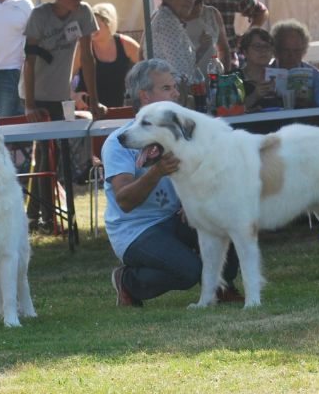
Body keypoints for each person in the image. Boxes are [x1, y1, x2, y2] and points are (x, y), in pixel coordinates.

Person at [104, 59, 242, 306]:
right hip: (135, 230)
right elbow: (124, 201)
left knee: (222, 218)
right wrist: (156, 172)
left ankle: (222, 286)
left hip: (171, 218)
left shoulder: (181, 135)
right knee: (188, 271)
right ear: (145, 96)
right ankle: (127, 281)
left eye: (174, 86)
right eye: (167, 88)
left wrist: (193, 204)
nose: (177, 93)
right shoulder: (119, 141)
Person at [22, 0, 100, 231]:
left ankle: (36, 216)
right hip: (37, 94)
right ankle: (47, 218)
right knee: (47, 152)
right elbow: (29, 62)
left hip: (60, 94)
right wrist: (30, 104)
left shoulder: (83, 12)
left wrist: (95, 100)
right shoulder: (39, 16)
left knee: (49, 153)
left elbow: (88, 58)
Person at [150, 0, 213, 99]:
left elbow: (184, 62)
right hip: (173, 97)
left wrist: (202, 48)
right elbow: (181, 71)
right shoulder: (167, 23)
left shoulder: (171, 20)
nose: (190, 1)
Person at [74, 3, 141, 108]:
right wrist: (74, 96)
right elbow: (66, 78)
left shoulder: (126, 44)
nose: (91, 29)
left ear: (109, 24)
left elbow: (148, 68)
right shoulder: (82, 47)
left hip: (116, 107)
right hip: (87, 108)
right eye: (90, 25)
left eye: (96, 25)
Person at [171, 0, 232, 71]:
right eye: (193, 5)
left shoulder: (211, 14)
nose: (199, 8)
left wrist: (224, 78)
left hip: (212, 79)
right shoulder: (166, 19)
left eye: (200, 2)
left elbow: (223, 49)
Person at [272, 19, 319, 108]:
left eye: (296, 50)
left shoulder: (315, 75)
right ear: (276, 50)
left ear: (304, 50)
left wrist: (311, 103)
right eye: (286, 50)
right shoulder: (266, 73)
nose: (291, 55)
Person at [235, 27, 279, 111]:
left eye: (267, 46)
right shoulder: (233, 79)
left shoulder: (280, 75)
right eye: (257, 46)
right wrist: (255, 96)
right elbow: (226, 111)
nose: (263, 51)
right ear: (245, 52)